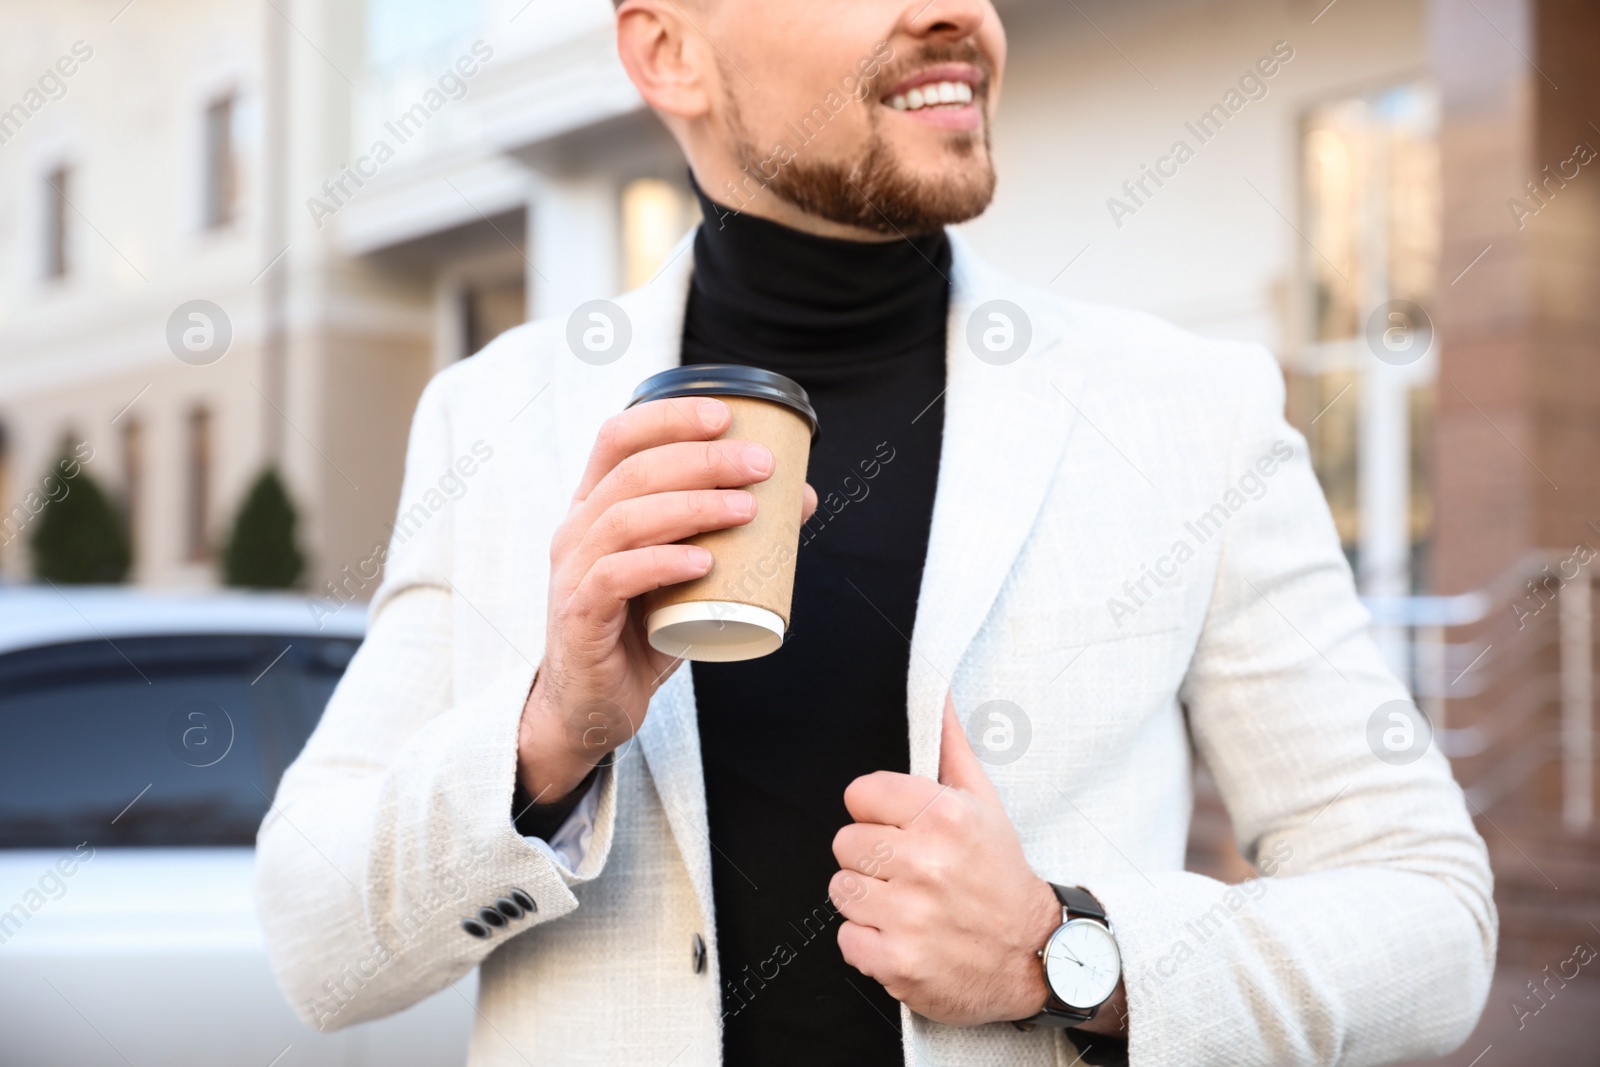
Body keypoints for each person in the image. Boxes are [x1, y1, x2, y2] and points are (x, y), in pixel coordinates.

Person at [256, 1, 1496, 1064]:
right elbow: (316, 940)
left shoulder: (1187, 415)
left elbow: (1433, 916)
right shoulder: (498, 418)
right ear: (668, 51)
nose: (960, 11)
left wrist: (1066, 949)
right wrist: (548, 736)